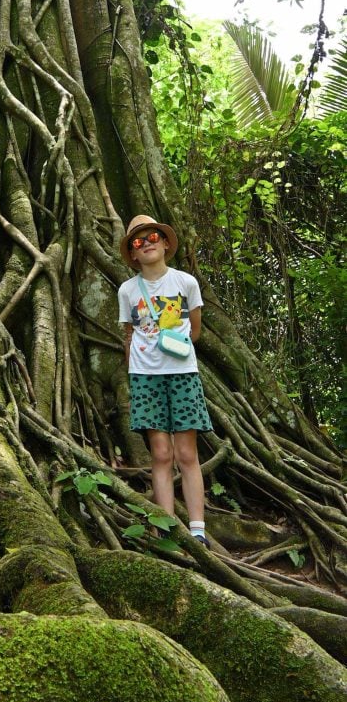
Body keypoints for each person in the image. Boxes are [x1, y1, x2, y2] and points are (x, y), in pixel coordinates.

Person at [118, 214, 213, 547]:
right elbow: (130, 334)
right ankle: (166, 529)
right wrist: (135, 372)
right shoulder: (127, 290)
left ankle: (198, 531)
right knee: (160, 453)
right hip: (145, 378)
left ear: (166, 242)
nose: (147, 243)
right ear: (132, 253)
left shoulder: (185, 282)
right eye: (138, 241)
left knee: (187, 453)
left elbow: (196, 329)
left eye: (153, 236)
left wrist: (175, 350)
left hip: (183, 374)